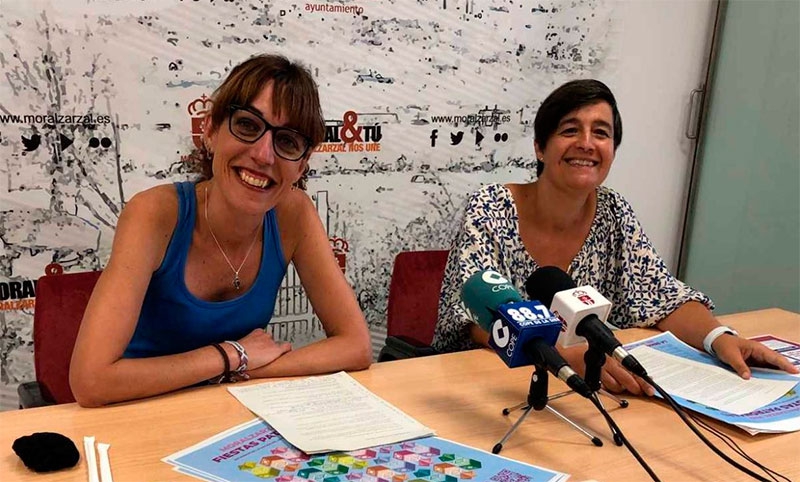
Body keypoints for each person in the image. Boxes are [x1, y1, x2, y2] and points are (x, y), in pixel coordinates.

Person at [432, 79, 798, 395]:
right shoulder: (491, 206)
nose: (586, 143)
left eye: (601, 133)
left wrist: (719, 338)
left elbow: (663, 296)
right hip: (486, 386)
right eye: (570, 130)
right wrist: (562, 354)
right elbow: (476, 318)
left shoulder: (613, 211)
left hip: (587, 391)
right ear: (540, 147)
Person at [70, 54, 372, 407]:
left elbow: (356, 346)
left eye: (288, 141)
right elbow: (91, 381)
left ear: (302, 165)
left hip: (226, 410)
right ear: (211, 130)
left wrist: (242, 370)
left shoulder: (295, 213)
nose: (264, 154)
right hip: (133, 410)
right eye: (247, 125)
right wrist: (231, 356)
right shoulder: (154, 213)